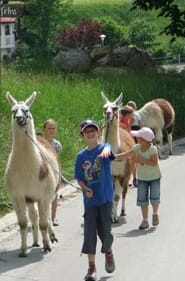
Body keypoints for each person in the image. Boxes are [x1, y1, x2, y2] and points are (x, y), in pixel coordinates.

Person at [74, 120, 115, 281]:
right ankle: (91, 268)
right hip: (90, 201)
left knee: (105, 232)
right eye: (87, 132)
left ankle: (108, 251)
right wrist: (85, 188)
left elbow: (109, 149)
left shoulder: (104, 148)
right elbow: (79, 179)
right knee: (90, 233)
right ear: (83, 135)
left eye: (93, 131)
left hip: (105, 198)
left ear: (98, 132)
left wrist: (106, 149)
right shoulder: (81, 156)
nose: (90, 134)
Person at [114, 127, 161, 231]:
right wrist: (114, 156)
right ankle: (145, 220)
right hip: (142, 178)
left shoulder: (153, 149)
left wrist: (140, 160)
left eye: (138, 137)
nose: (136, 138)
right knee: (142, 199)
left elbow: (154, 163)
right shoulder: (136, 148)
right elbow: (127, 154)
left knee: (154, 198)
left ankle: (155, 213)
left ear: (143, 140)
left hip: (154, 178)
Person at [43, 119, 62, 226]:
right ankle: (42, 217)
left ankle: (53, 217)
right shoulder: (39, 143)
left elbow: (57, 160)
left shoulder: (57, 145)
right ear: (44, 129)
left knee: (54, 195)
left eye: (53, 128)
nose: (51, 131)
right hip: (42, 173)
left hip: (54, 174)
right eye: (49, 128)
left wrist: (59, 174)